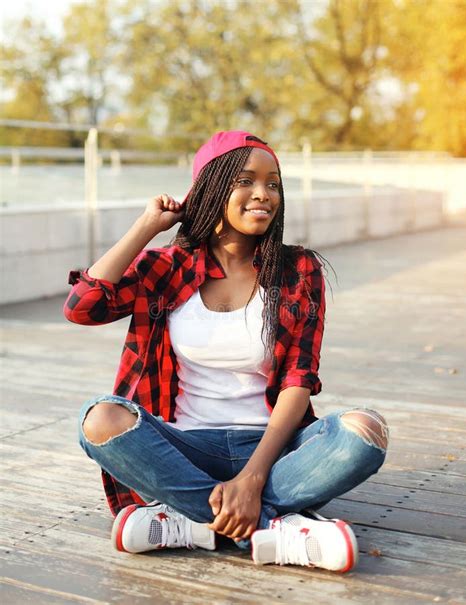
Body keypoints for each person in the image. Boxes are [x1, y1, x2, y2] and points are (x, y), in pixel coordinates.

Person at [64, 130, 389, 572]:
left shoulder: (298, 269)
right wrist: (146, 227)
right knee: (100, 419)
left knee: (364, 432)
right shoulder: (167, 268)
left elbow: (299, 378)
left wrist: (253, 478)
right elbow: (83, 307)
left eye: (273, 183)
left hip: (276, 450)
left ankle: (193, 522)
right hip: (183, 448)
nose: (264, 194)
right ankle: (280, 530)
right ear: (211, 188)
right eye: (246, 181)